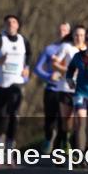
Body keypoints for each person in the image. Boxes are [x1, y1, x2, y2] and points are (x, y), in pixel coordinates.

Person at [0, 14, 32, 150]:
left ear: (17, 25)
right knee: (2, 114)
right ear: (4, 25)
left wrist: (27, 67)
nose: (11, 24)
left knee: (14, 113)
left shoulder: (23, 40)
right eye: (8, 22)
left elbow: (29, 54)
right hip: (0, 82)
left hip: (16, 82)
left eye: (13, 22)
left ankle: (10, 143)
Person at [34, 22, 72, 153]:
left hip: (67, 89)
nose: (62, 33)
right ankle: (49, 138)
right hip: (52, 88)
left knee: (64, 120)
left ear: (69, 32)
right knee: (50, 119)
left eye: (65, 30)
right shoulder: (49, 49)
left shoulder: (73, 49)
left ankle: (62, 145)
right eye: (60, 30)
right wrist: (49, 76)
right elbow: (37, 68)